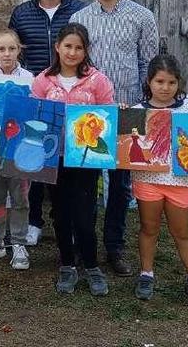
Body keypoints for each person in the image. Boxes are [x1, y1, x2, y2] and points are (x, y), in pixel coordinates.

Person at [70, 0, 159, 277]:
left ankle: (115, 246)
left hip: (127, 110)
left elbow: (148, 66)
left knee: (121, 185)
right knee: (86, 182)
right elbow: (74, 65)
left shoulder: (142, 17)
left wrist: (142, 106)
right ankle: (85, 245)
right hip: (88, 114)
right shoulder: (80, 19)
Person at [9, 0, 86, 247]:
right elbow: (15, 50)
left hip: (71, 92)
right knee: (36, 160)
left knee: (67, 162)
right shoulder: (22, 13)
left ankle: (62, 217)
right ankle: (34, 221)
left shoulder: (79, 11)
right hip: (37, 94)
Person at [31, 23, 114, 296]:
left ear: (86, 50)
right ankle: (67, 264)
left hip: (86, 159)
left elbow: (107, 116)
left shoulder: (97, 80)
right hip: (54, 158)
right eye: (68, 46)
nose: (72, 52)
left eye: (79, 47)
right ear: (57, 47)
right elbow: (33, 116)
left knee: (85, 213)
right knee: (60, 213)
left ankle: (91, 265)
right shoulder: (43, 80)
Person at [128, 55, 188, 305]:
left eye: (171, 82)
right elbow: (127, 145)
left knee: (182, 231)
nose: (165, 88)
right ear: (149, 81)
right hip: (147, 180)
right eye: (160, 81)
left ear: (179, 83)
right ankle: (146, 273)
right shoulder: (136, 112)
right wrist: (122, 118)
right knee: (149, 227)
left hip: (181, 182)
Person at [0, 29, 34, 270]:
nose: (7, 54)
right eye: (2, 49)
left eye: (12, 48)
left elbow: (34, 110)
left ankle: (19, 243)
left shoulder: (30, 79)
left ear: (19, 49)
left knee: (20, 194)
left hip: (20, 146)